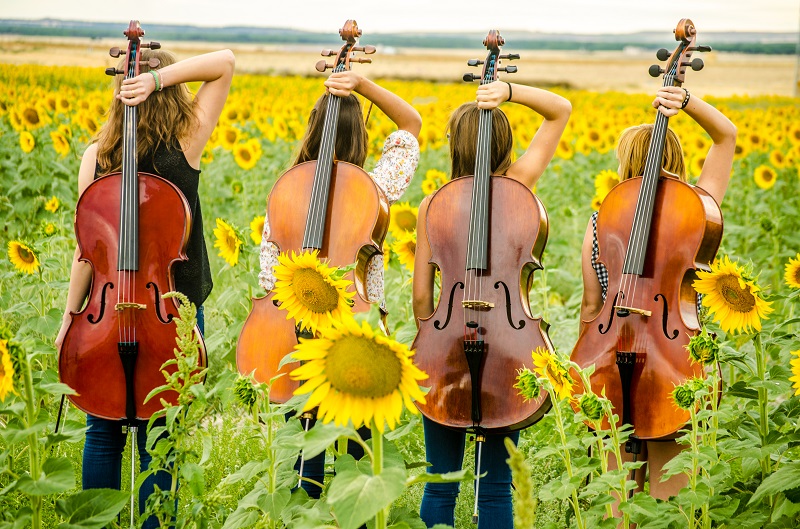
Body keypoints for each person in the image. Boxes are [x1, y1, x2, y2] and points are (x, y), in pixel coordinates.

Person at [55, 47, 235, 528]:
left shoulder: (98, 154)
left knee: (102, 430)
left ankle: (99, 523)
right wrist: (156, 79)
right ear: (174, 91)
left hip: (105, 312)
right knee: (161, 433)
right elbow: (225, 62)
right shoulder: (186, 143)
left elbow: (86, 256)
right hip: (168, 314)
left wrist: (72, 318)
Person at [412, 80, 572, 529]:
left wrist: (436, 337)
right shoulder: (519, 187)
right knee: (497, 486)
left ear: (453, 146)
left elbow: (423, 298)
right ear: (505, 144)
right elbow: (560, 109)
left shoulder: (432, 206)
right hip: (508, 346)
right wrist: (509, 90)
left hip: (444, 343)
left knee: (439, 482)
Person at [257, 69, 422, 498]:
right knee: (356, 451)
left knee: (304, 448)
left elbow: (267, 272)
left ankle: (304, 512)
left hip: (291, 326)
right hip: (355, 328)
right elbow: (410, 126)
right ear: (361, 140)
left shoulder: (288, 190)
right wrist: (363, 86)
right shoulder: (374, 189)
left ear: (313, 129)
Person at [578, 85, 736, 501]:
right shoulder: (696, 210)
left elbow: (593, 306)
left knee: (618, 503)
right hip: (675, 358)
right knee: (670, 503)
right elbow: (726, 137)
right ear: (676, 159)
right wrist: (686, 102)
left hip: (612, 357)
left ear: (625, 164)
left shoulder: (600, 221)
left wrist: (588, 365)